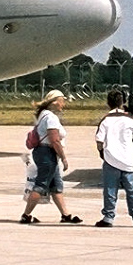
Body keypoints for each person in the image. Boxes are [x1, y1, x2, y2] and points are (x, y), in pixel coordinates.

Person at [21, 89, 82, 224]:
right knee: (41, 185)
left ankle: (65, 215)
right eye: (62, 101)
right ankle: (26, 215)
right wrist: (64, 158)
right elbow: (54, 140)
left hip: (43, 152)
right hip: (47, 154)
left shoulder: (43, 114)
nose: (63, 104)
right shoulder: (51, 118)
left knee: (56, 184)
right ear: (54, 102)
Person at [94, 88, 133, 227]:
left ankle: (109, 217)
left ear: (108, 103)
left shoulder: (105, 120)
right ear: (123, 102)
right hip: (128, 160)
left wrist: (102, 153)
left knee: (110, 191)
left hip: (111, 160)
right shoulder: (130, 120)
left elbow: (99, 141)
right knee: (131, 191)